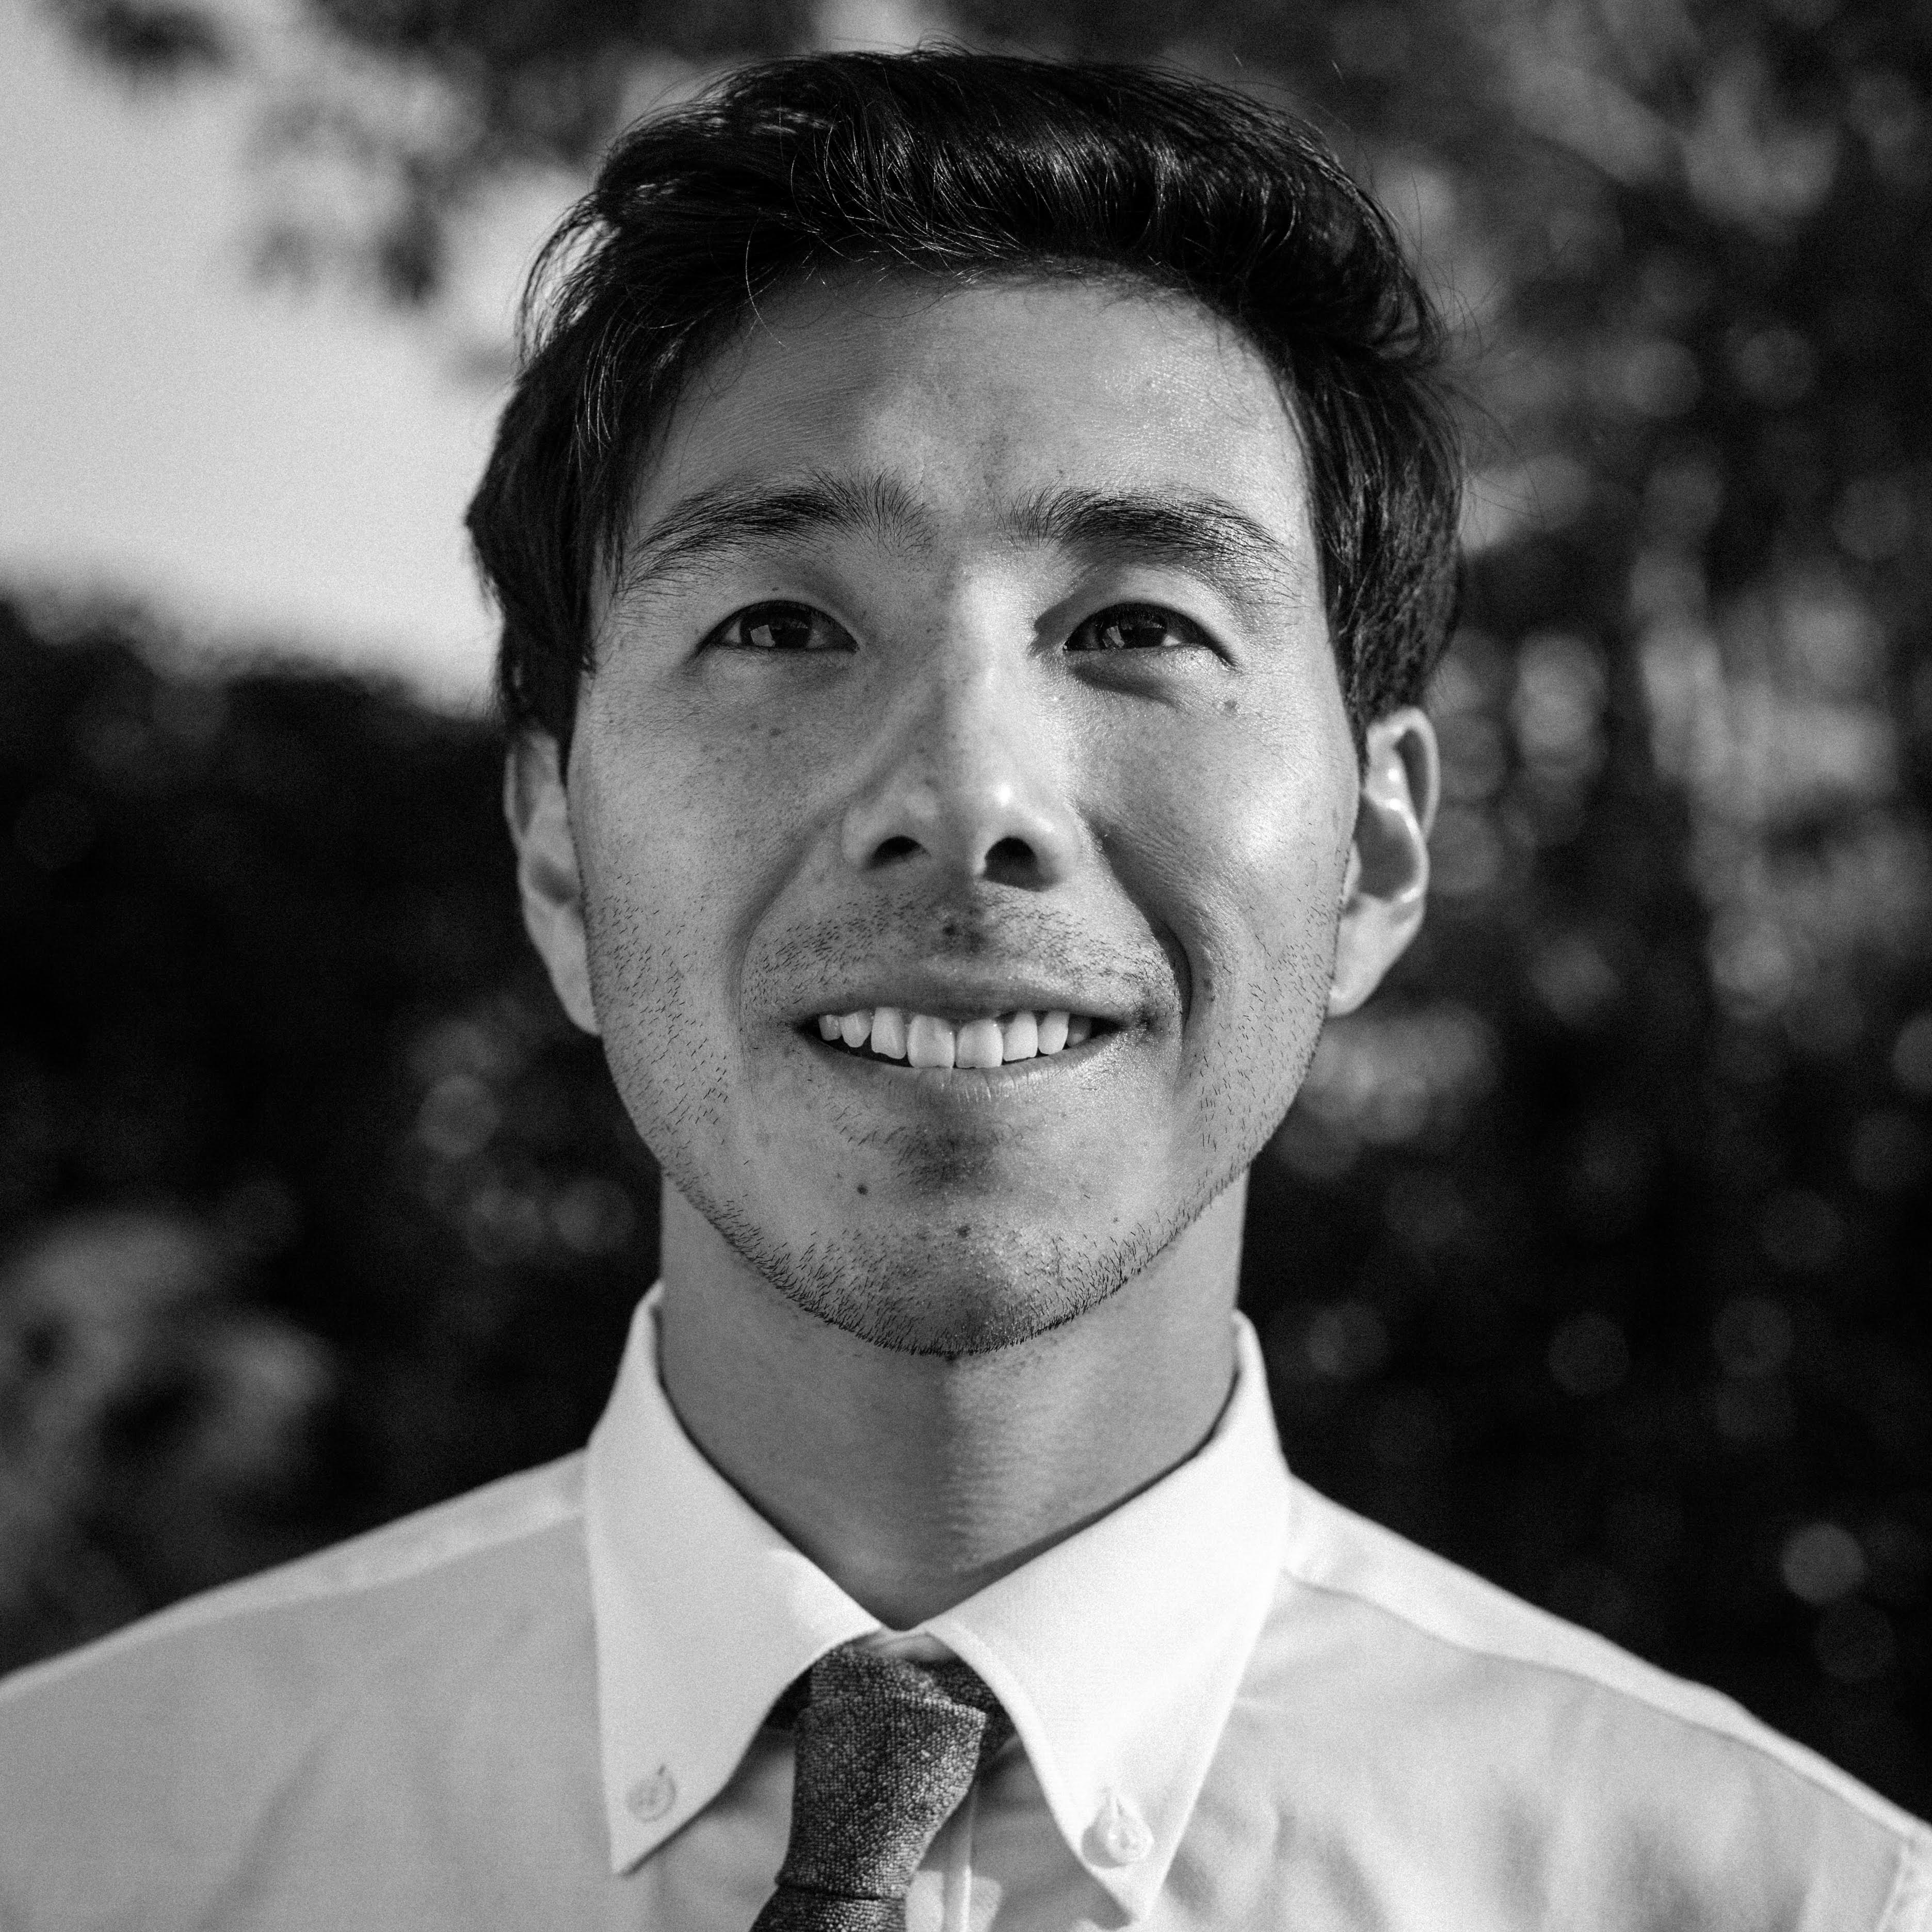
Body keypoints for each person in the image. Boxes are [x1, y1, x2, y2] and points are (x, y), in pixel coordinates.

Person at [1, 49, 1925, 1932]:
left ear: (1378, 851)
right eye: (779, 623)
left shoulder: (1790, 1899)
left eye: (1139, 627)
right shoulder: (74, 1852)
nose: (968, 797)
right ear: (558, 852)